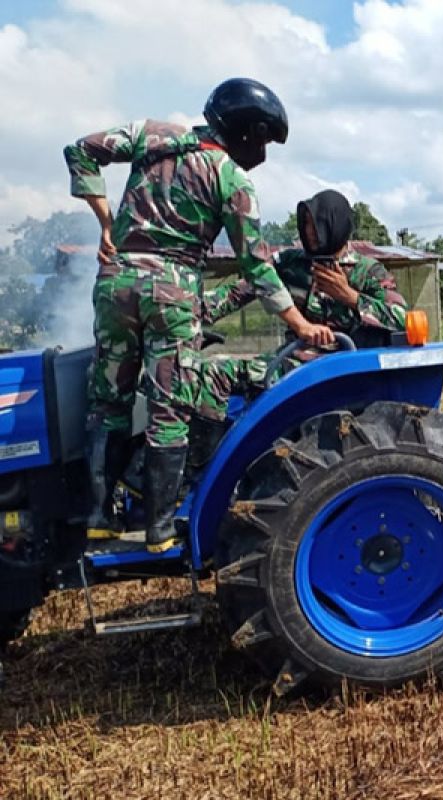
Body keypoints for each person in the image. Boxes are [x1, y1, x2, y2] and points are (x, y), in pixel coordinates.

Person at [65, 77, 334, 552]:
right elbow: (257, 266)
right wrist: (299, 323)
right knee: (171, 405)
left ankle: (98, 517)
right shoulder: (233, 180)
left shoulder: (154, 134)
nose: (265, 154)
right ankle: (159, 529)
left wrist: (107, 222)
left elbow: (81, 150)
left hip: (117, 281)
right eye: (264, 140)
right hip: (172, 291)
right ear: (246, 132)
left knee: (108, 399)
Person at [196, 189, 408, 422]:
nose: (309, 231)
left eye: (316, 224)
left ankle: (204, 456)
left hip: (338, 371)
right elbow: (244, 289)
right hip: (292, 362)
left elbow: (400, 318)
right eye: (305, 223)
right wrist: (193, 312)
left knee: (214, 374)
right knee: (204, 372)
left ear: (335, 225)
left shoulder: (368, 271)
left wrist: (349, 296)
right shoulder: (291, 263)